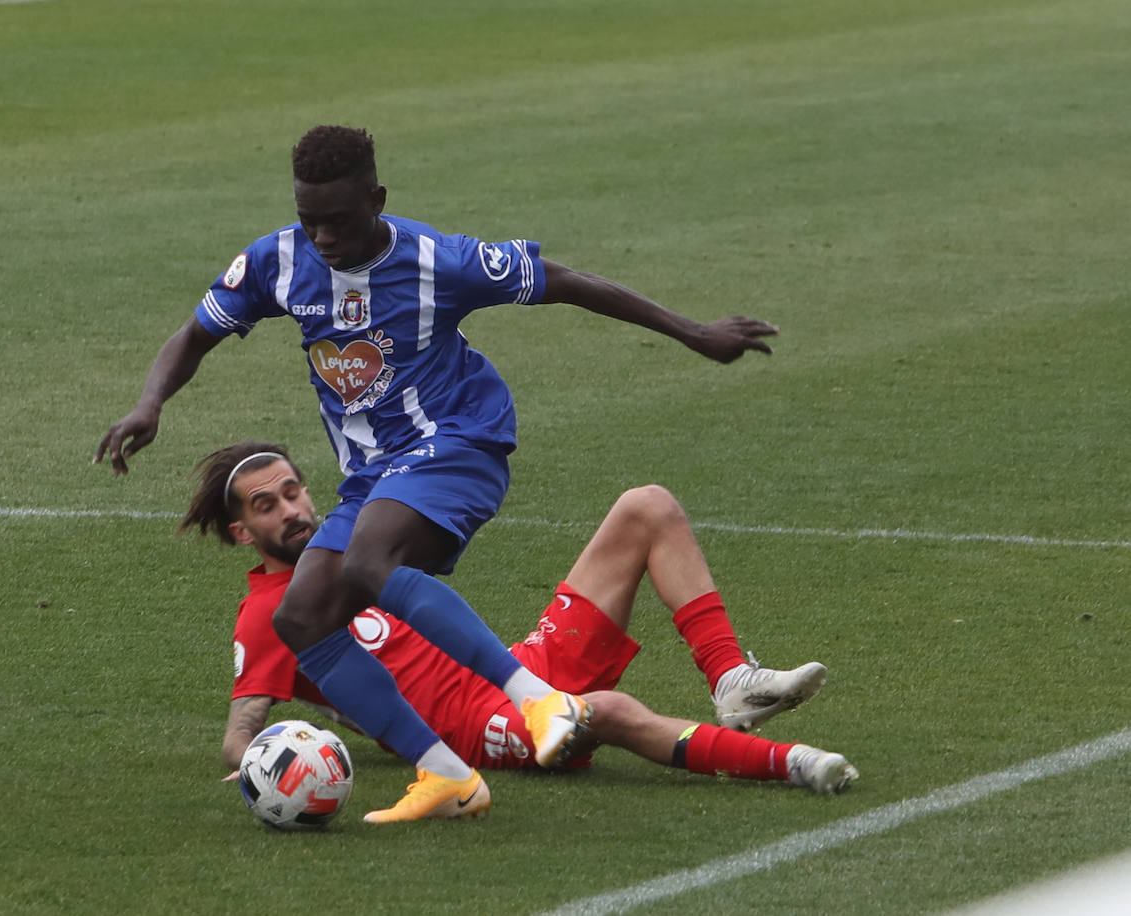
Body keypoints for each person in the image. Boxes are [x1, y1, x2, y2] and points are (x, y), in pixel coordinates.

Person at [97, 126, 781, 821]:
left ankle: (536, 700)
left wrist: (696, 332)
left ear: (377, 198)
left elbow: (569, 283)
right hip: (373, 475)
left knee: (368, 562)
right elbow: (196, 334)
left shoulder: (436, 261)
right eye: (310, 220)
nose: (324, 237)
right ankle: (447, 774)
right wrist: (149, 403)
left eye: (339, 219)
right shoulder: (279, 262)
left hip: (458, 442)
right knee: (303, 615)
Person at [187, 441, 858, 821]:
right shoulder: (271, 613)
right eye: (266, 506)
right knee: (613, 712)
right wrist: (279, 761)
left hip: (520, 668)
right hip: (477, 731)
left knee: (645, 507)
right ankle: (795, 764)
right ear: (243, 534)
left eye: (294, 490)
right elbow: (239, 732)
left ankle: (732, 681)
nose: (293, 510)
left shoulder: (349, 546)